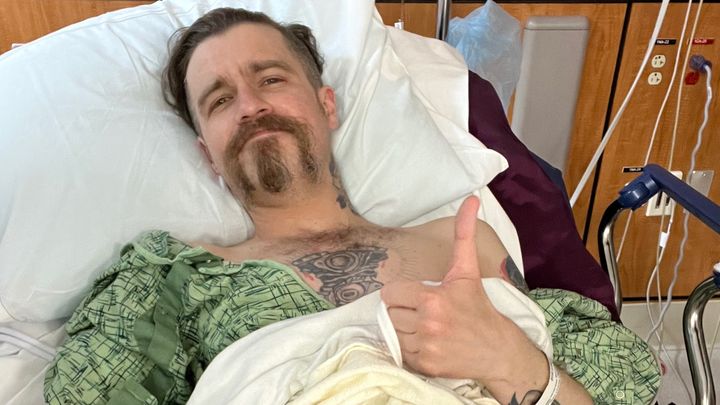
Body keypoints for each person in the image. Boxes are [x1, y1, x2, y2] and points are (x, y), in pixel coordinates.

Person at [45, 7, 658, 405]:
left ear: (327, 105)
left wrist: (509, 359)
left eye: (271, 78)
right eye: (220, 100)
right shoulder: (173, 275)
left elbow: (619, 386)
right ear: (208, 154)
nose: (251, 105)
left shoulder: (462, 242)